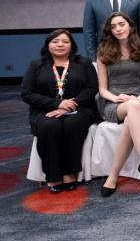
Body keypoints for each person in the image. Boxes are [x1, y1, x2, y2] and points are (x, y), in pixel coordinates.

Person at [96, 13, 140, 196]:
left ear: (130, 26)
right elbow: (102, 89)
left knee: (133, 113)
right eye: (114, 27)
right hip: (114, 103)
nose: (118, 29)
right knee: (132, 109)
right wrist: (116, 98)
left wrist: (137, 99)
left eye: (121, 24)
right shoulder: (103, 52)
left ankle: (112, 176)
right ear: (110, 31)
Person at [21, 29, 99, 193]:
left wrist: (71, 104)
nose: (60, 44)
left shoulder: (83, 63)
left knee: (72, 124)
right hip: (45, 110)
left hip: (80, 108)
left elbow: (92, 88)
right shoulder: (36, 66)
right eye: (55, 41)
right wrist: (57, 104)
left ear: (72, 45)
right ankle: (53, 175)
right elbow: (27, 93)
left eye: (65, 41)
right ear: (48, 45)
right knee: (49, 126)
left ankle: (70, 173)